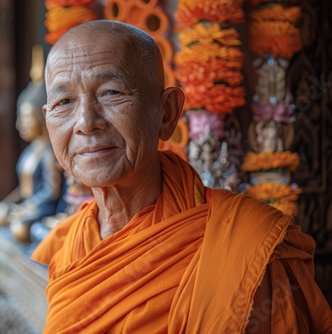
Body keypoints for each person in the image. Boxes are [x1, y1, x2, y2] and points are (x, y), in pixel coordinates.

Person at [31, 21, 332, 333]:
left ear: (166, 113)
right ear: (47, 121)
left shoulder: (248, 243)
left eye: (111, 92)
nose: (85, 122)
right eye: (64, 102)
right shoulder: (68, 245)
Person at [0, 45, 62, 243]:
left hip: (41, 209)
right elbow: (23, 189)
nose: (21, 125)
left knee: (20, 229)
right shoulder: (30, 151)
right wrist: (9, 205)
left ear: (41, 116)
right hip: (26, 206)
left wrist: (25, 209)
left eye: (27, 120)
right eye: (20, 119)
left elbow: (51, 192)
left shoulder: (49, 153)